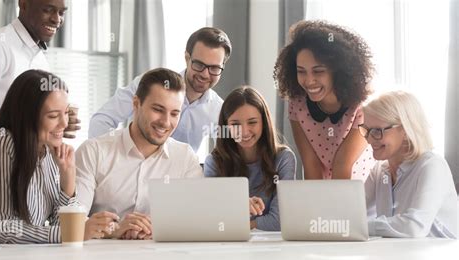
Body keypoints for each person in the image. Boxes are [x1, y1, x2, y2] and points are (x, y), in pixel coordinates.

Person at [0, 70, 116, 244]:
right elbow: (3, 228)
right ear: (27, 116)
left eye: (66, 112)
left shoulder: (51, 151)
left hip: (32, 257)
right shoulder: (2, 141)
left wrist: (68, 180)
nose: (64, 123)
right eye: (53, 115)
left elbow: (57, 223)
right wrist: (73, 233)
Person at [75, 68, 203, 240]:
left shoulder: (185, 157)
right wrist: (114, 229)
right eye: (158, 109)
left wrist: (154, 228)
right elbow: (74, 223)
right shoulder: (93, 151)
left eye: (174, 113)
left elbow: (197, 220)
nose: (166, 122)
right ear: (136, 104)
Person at [88, 27, 232, 153]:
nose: (205, 74)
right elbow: (102, 120)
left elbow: (228, 152)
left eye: (214, 68)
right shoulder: (151, 84)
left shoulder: (219, 109)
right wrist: (117, 158)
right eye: (199, 64)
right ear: (187, 58)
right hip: (133, 172)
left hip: (179, 179)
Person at [274, 20, 375, 180]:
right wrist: (316, 202)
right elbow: (310, 163)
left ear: (338, 70)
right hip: (325, 192)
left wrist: (329, 203)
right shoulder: (297, 103)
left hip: (362, 193)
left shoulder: (364, 107)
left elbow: (342, 165)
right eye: (301, 71)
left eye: (318, 71)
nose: (309, 80)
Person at [361, 90, 457, 238]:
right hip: (403, 256)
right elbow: (353, 212)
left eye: (377, 131)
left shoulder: (432, 166)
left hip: (440, 258)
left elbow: (414, 227)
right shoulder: (380, 171)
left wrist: (361, 226)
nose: (369, 139)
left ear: (405, 130)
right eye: (366, 130)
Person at [204, 86, 296, 231]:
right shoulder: (214, 162)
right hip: (227, 245)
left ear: (263, 123)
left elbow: (280, 220)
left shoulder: (284, 159)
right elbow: (210, 217)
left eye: (252, 122)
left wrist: (238, 219)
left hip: (270, 248)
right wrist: (239, 205)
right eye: (235, 124)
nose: (244, 131)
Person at [0, 0, 80, 137]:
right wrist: (18, 136)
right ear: (23, 4)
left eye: (61, 13)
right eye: (48, 10)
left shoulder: (40, 59)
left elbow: (33, 121)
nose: (56, 19)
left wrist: (57, 123)